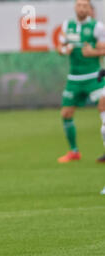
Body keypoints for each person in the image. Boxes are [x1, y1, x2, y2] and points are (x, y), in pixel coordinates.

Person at [56, 0, 105, 163]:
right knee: (66, 113)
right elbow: (60, 47)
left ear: (89, 9)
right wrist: (64, 49)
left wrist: (93, 52)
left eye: (85, 5)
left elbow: (104, 48)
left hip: (94, 77)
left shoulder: (97, 27)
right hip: (74, 78)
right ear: (75, 7)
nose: (81, 8)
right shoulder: (67, 25)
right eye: (79, 5)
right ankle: (74, 151)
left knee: (103, 108)